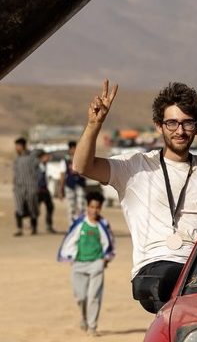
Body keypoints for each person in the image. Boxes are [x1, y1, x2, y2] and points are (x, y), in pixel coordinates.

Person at [73, 79, 197, 313]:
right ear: (159, 126)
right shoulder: (134, 166)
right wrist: (93, 125)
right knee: (177, 284)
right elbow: (82, 166)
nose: (180, 131)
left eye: (187, 123)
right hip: (155, 270)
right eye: (172, 123)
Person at [57, 190, 115, 337]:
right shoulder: (79, 223)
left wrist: (105, 259)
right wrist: (69, 256)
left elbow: (109, 243)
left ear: (100, 208)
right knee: (81, 297)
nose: (94, 210)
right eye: (92, 207)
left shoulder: (103, 224)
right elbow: (70, 239)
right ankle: (84, 318)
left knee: (94, 296)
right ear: (87, 207)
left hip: (96, 264)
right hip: (79, 264)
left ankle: (92, 326)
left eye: (97, 207)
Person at [12, 137, 41, 236]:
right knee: (18, 207)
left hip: (31, 187)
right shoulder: (16, 159)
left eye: (17, 146)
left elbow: (38, 171)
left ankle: (34, 228)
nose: (16, 148)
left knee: (32, 207)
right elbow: (15, 174)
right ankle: (19, 229)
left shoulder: (32, 158)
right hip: (19, 188)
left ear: (22, 146)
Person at [57, 140, 87, 224]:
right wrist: (61, 189)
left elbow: (86, 172)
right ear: (70, 149)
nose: (74, 150)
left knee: (81, 205)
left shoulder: (81, 159)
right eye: (72, 148)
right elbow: (62, 175)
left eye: (75, 148)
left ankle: (81, 223)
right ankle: (72, 224)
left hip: (80, 184)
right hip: (69, 185)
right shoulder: (65, 160)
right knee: (71, 206)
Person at [37, 149, 57, 234]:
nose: (48, 158)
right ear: (41, 157)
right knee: (35, 209)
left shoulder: (46, 166)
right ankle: (33, 226)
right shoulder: (37, 166)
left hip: (45, 190)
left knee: (50, 207)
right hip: (38, 190)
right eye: (46, 156)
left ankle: (49, 226)